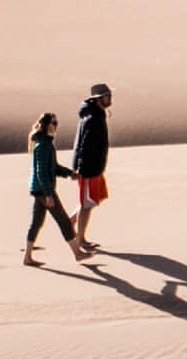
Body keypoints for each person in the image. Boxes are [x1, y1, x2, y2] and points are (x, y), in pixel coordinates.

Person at [24, 112, 85, 264]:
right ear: (46, 125)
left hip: (40, 189)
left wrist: (69, 173)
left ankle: (27, 257)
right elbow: (41, 172)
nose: (55, 126)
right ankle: (77, 253)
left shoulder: (45, 143)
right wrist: (49, 194)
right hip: (43, 190)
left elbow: (53, 167)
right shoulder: (43, 145)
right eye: (53, 123)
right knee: (64, 220)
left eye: (57, 123)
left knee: (36, 222)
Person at [69, 82, 113, 253]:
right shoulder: (92, 118)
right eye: (107, 96)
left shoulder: (96, 114)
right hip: (88, 168)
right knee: (87, 204)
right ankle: (80, 239)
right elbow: (83, 145)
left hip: (96, 167)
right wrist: (79, 169)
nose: (110, 99)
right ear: (97, 99)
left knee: (95, 198)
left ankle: (71, 221)